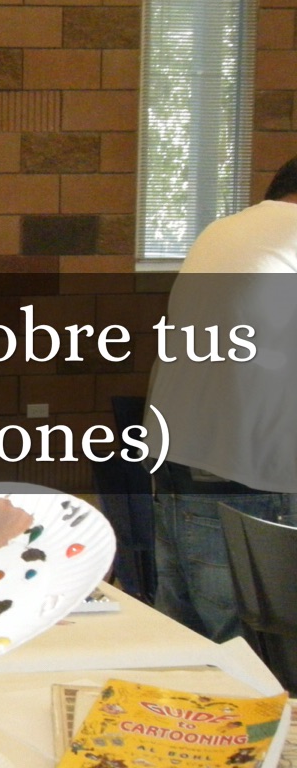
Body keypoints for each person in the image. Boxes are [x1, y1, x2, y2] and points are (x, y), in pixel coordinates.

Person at [143, 155, 297, 643]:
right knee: (259, 656)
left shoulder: (222, 230)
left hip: (177, 464)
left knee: (187, 648)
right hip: (251, 481)